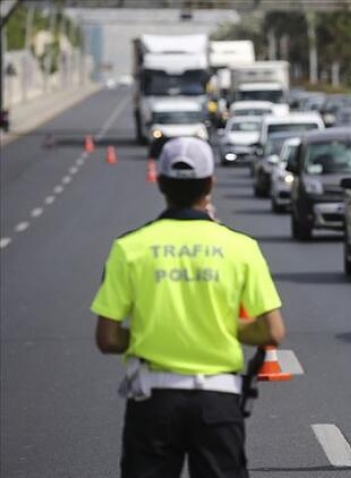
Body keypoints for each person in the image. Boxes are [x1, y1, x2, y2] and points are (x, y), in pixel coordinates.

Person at [91, 136, 285, 478]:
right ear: (210, 183)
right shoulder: (241, 248)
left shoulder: (129, 248)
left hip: (153, 401)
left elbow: (107, 338)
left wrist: (152, 333)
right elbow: (272, 331)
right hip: (218, 402)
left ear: (161, 183)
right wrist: (225, 329)